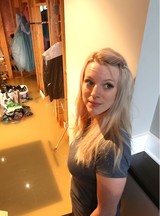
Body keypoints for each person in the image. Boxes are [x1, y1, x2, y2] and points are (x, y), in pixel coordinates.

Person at [68, 48, 134, 216]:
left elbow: (105, 213)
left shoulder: (111, 148)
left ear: (119, 93)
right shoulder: (93, 118)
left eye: (108, 85)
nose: (95, 93)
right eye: (89, 82)